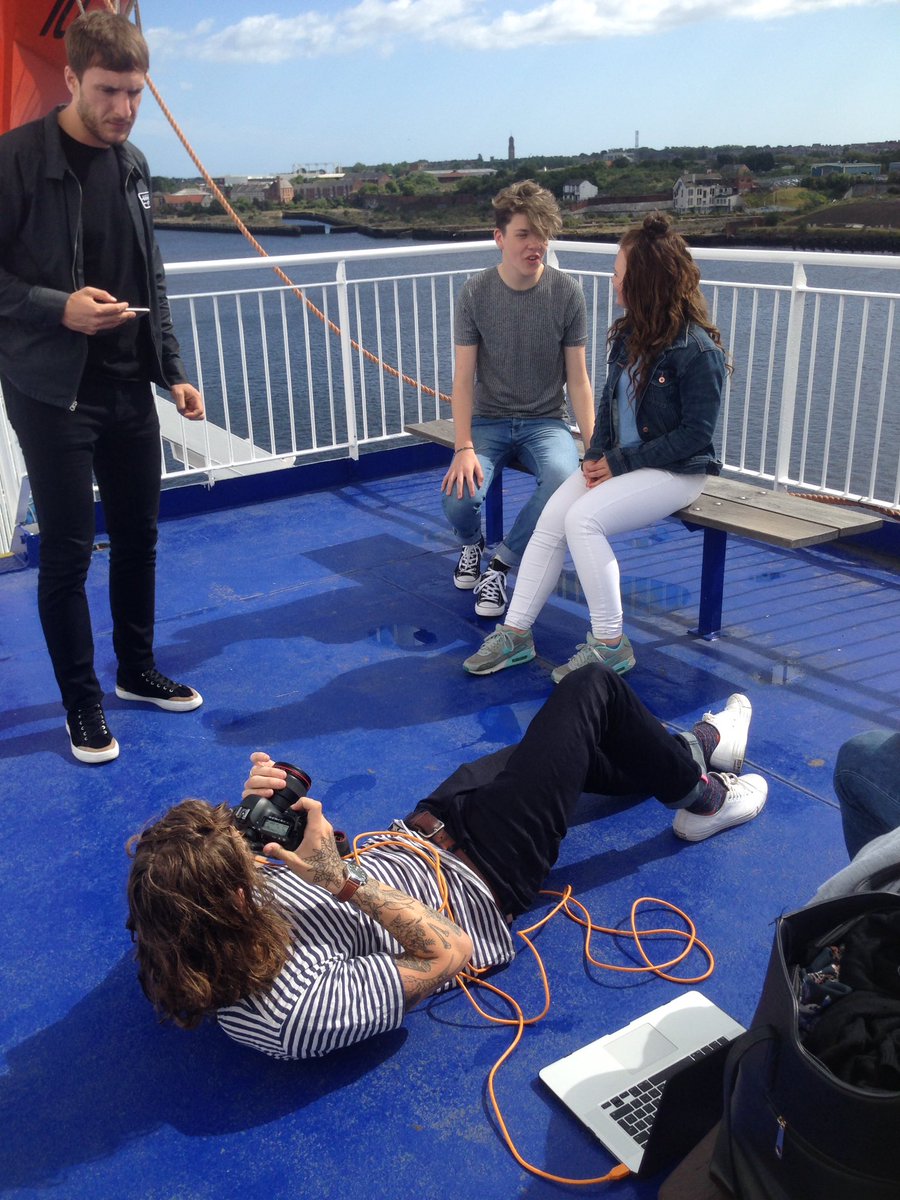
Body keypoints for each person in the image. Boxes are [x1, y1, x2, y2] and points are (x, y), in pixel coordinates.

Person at [126, 666, 767, 1060]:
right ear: (236, 900)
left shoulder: (189, 923)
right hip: (485, 870)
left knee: (576, 749)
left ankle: (698, 746)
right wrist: (340, 880)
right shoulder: (296, 1013)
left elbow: (290, 864)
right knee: (590, 689)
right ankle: (704, 797)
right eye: (245, 863)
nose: (253, 862)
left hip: (422, 828)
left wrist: (275, 805)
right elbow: (449, 953)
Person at [0, 11, 205, 764]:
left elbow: (151, 276)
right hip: (51, 390)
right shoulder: (14, 161)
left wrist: (174, 370)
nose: (122, 108)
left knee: (140, 536)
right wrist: (62, 307)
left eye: (135, 94)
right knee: (67, 551)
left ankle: (137, 671)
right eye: (108, 91)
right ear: (71, 80)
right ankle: (82, 705)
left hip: (127, 384)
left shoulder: (136, 166)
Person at [463, 213, 727, 681]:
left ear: (645, 283)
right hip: (625, 462)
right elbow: (608, 407)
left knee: (583, 521)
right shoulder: (631, 334)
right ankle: (516, 633)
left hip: (677, 471)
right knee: (551, 519)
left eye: (620, 274)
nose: (613, 282)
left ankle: (610, 645)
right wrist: (594, 453)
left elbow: (695, 437)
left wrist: (619, 461)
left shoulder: (697, 351)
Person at [440, 180, 594, 621]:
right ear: (500, 238)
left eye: (541, 234)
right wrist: (463, 445)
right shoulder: (475, 293)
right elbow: (464, 378)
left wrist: (594, 445)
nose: (535, 245)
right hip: (487, 421)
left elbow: (579, 380)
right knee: (458, 500)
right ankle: (472, 544)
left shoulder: (567, 293)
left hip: (545, 422)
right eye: (524, 234)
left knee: (566, 478)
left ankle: (501, 564)